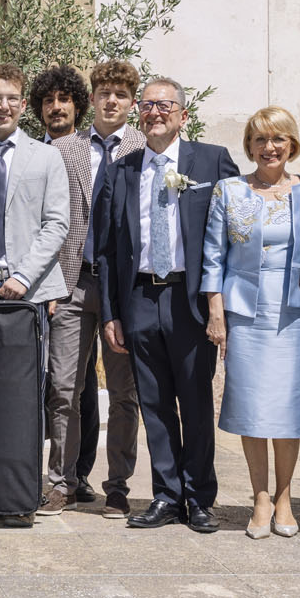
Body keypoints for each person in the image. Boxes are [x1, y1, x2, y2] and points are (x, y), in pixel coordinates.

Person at [97, 76, 238, 532]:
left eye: (165, 105)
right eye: (148, 105)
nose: (155, 112)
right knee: (153, 403)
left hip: (189, 297)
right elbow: (107, 249)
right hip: (138, 296)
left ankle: (199, 497)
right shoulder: (122, 169)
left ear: (182, 114)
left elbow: (235, 233)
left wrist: (224, 304)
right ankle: (166, 494)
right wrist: (111, 313)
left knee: (195, 401)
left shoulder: (212, 161)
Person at [0, 63, 69, 524]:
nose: (2, 105)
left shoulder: (46, 158)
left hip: (26, 294)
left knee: (24, 396)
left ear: (23, 107)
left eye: (11, 98)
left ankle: (20, 490)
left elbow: (56, 223)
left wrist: (22, 278)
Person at [200, 107, 300, 539]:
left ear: (292, 145)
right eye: (261, 140)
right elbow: (213, 254)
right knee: (250, 403)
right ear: (249, 146)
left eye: (278, 139)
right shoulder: (229, 191)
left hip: (293, 310)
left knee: (286, 405)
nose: (270, 148)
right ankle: (260, 495)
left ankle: (285, 496)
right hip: (244, 310)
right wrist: (216, 310)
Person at [38, 60, 144, 516]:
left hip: (125, 289)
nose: (111, 100)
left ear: (132, 102)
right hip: (73, 282)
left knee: (124, 392)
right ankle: (61, 481)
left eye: (120, 94)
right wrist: (49, 285)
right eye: (104, 92)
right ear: (93, 99)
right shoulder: (66, 148)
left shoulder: (145, 147)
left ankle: (118, 483)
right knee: (63, 386)